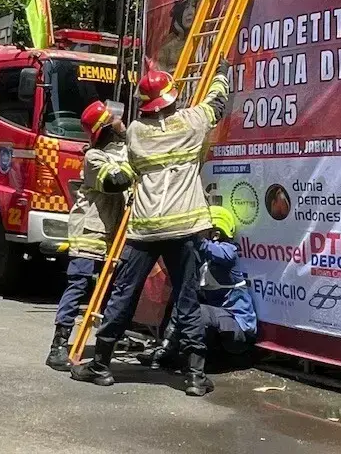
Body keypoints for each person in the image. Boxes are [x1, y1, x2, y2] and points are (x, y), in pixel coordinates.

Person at [71, 63, 230, 396]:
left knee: (123, 295)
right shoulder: (192, 122)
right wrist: (221, 73)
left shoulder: (136, 133)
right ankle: (195, 377)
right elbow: (217, 103)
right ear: (172, 98)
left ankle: (100, 365)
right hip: (184, 227)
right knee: (187, 299)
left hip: (144, 231)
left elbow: (119, 157)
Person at [45, 101, 132, 370]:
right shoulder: (94, 157)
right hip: (89, 231)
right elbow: (116, 181)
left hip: (111, 232)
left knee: (113, 288)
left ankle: (112, 335)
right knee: (79, 284)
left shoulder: (117, 149)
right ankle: (58, 345)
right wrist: (141, 166)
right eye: (112, 123)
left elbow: (131, 144)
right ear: (104, 130)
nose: (118, 125)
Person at [140, 205, 257, 369]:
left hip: (239, 329)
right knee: (182, 303)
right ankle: (165, 350)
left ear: (215, 233)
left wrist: (189, 238)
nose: (199, 233)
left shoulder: (229, 252)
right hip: (221, 328)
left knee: (196, 311)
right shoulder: (204, 260)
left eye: (203, 229)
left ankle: (183, 358)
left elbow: (216, 251)